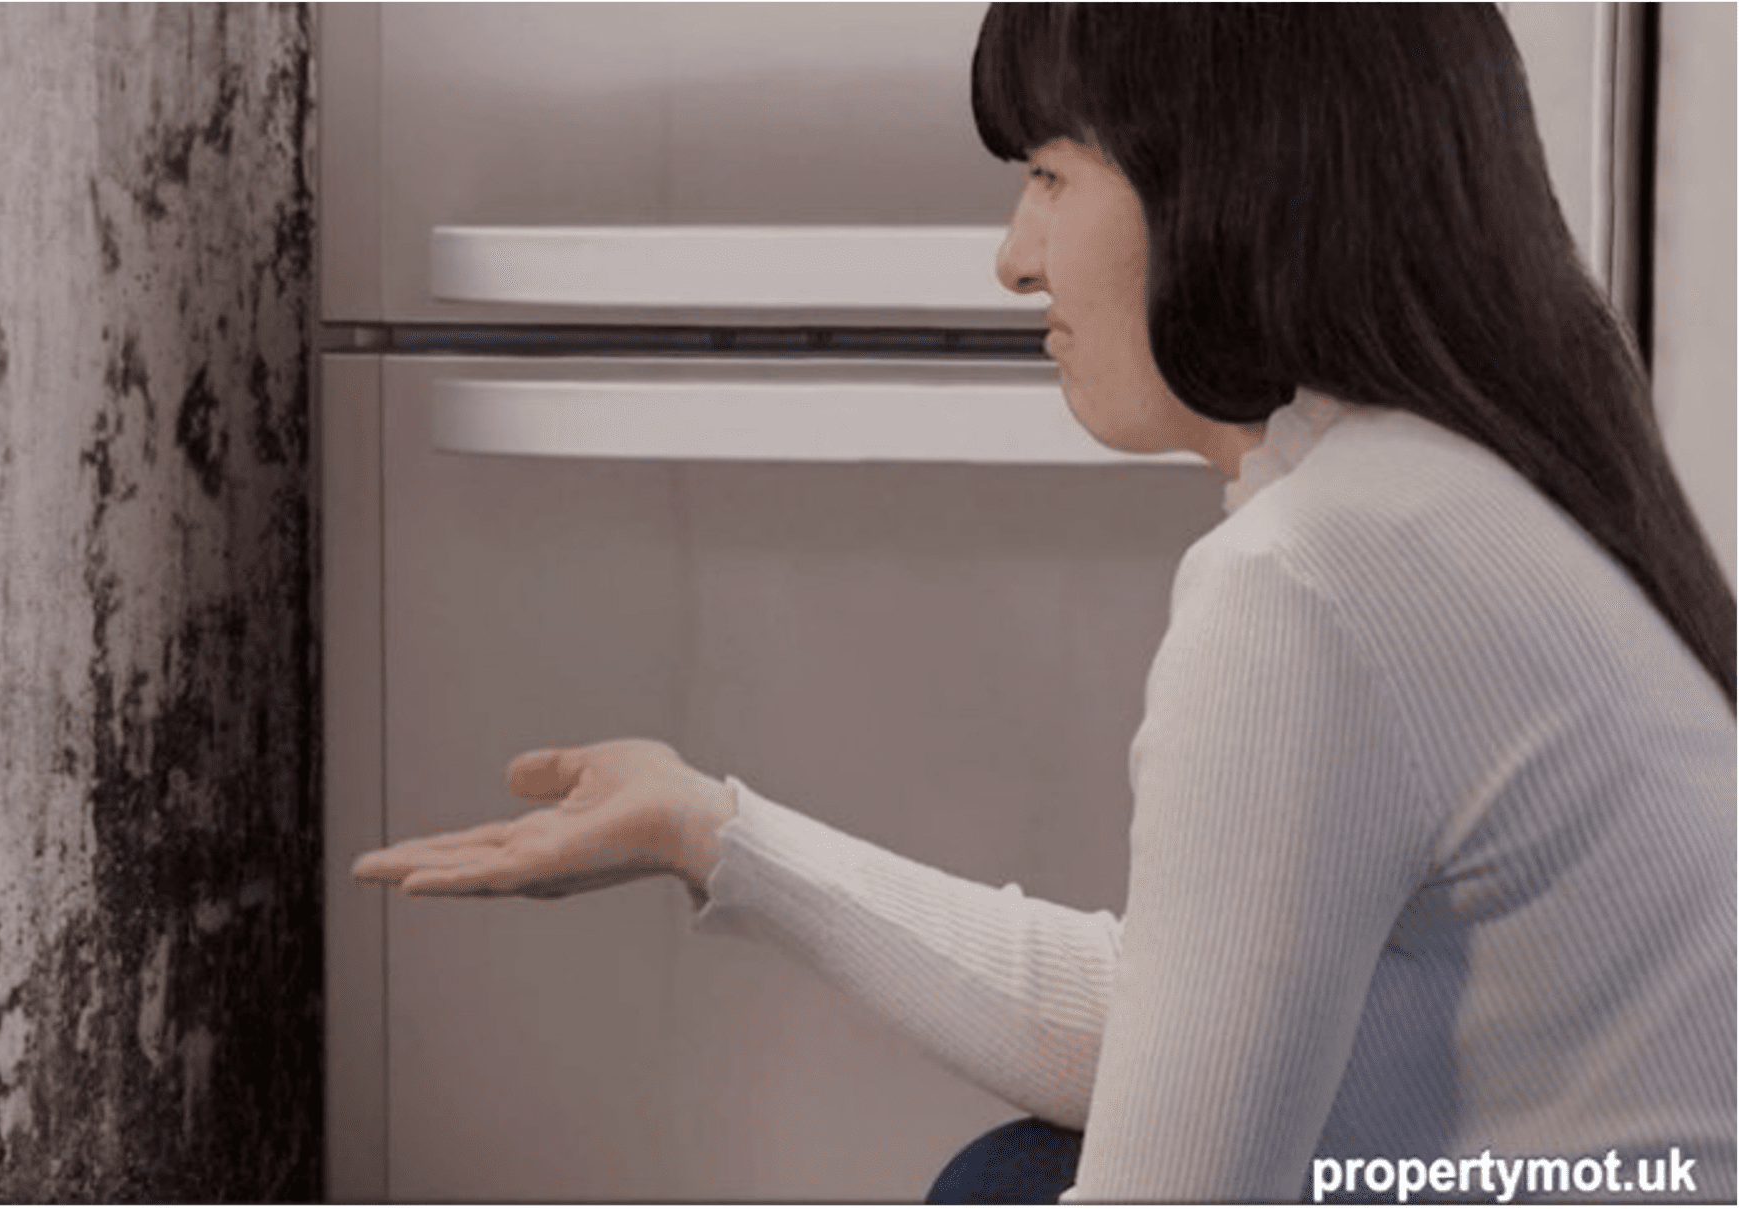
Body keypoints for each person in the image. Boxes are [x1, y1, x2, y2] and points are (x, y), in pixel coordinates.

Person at [354, 4, 1738, 1202]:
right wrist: (708, 830)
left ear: (1226, 181)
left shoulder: (1313, 578)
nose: (1015, 259)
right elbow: (1171, 1028)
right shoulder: (1455, 490)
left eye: (1053, 176)